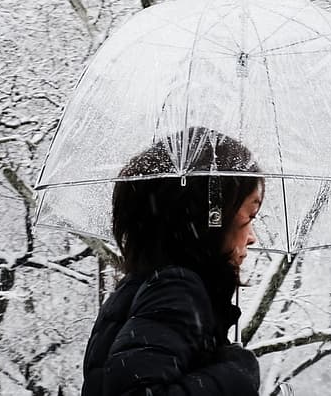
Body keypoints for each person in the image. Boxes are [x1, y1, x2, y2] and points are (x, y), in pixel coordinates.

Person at [81, 129, 265, 395]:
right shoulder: (176, 291)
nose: (253, 238)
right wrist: (236, 376)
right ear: (212, 218)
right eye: (250, 215)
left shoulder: (145, 286)